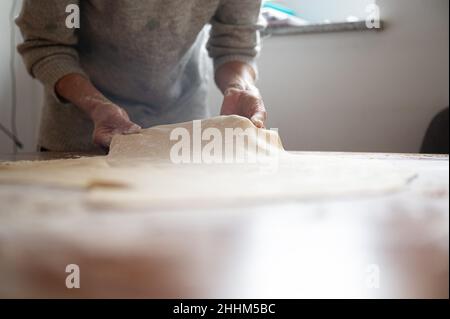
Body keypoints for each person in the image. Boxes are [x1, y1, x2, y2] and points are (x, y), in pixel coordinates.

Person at [16, 0, 267, 152]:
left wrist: (240, 87)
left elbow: (235, 44)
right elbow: (48, 43)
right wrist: (97, 106)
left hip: (183, 137)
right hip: (82, 132)